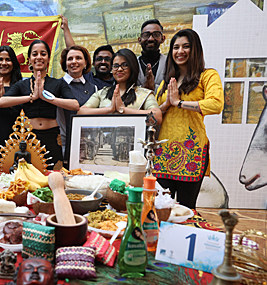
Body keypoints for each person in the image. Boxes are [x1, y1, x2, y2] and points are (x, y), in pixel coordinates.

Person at [154, 29, 223, 210]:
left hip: (191, 152)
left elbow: (216, 104)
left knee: (186, 209)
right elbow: (156, 112)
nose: (180, 51)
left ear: (196, 50)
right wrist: (168, 104)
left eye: (186, 46)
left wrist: (179, 102)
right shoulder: (167, 81)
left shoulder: (207, 76)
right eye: (175, 47)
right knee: (160, 207)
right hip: (163, 153)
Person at [0, 40, 79, 169]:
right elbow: (1, 102)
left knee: (55, 175)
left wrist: (48, 98)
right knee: (29, 177)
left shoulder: (58, 83)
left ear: (48, 58)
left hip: (52, 136)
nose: (39, 57)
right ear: (29, 59)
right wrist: (32, 97)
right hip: (28, 137)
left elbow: (75, 105)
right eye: (35, 54)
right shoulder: (21, 84)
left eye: (43, 54)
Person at [78, 48, 162, 125]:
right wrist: (110, 109)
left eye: (125, 65)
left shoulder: (144, 93)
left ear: (133, 67)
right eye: (115, 66)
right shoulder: (103, 93)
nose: (119, 69)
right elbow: (81, 112)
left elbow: (157, 117)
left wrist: (123, 110)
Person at [57, 45, 97, 164]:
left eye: (78, 58)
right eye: (70, 59)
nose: (74, 62)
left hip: (85, 143)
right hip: (63, 143)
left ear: (85, 63)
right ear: (65, 64)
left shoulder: (93, 88)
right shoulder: (57, 85)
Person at [61, 15, 114, 89]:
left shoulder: (118, 81)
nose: (103, 62)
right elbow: (73, 51)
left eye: (107, 59)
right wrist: (66, 29)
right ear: (93, 63)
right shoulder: (88, 78)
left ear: (113, 63)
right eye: (99, 59)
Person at [137, 19, 167, 92]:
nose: (150, 39)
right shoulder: (132, 64)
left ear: (162, 39)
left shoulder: (170, 62)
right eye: (146, 35)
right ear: (139, 40)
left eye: (156, 35)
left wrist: (153, 87)